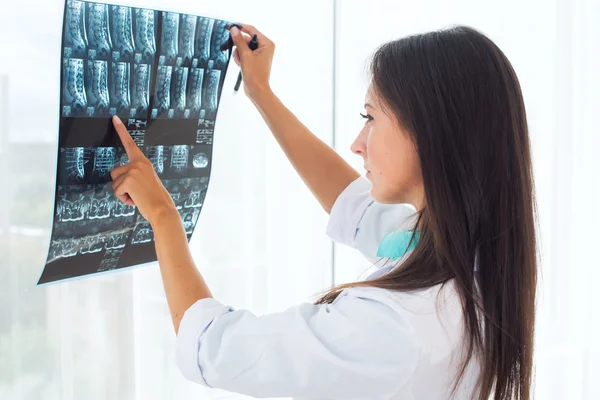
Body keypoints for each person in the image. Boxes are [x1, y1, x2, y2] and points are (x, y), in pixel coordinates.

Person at [109, 23, 538, 400]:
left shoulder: (393, 328)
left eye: (370, 117)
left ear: (430, 134)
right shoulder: (470, 255)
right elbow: (354, 203)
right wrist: (261, 94)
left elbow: (214, 348)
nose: (358, 143)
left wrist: (164, 216)